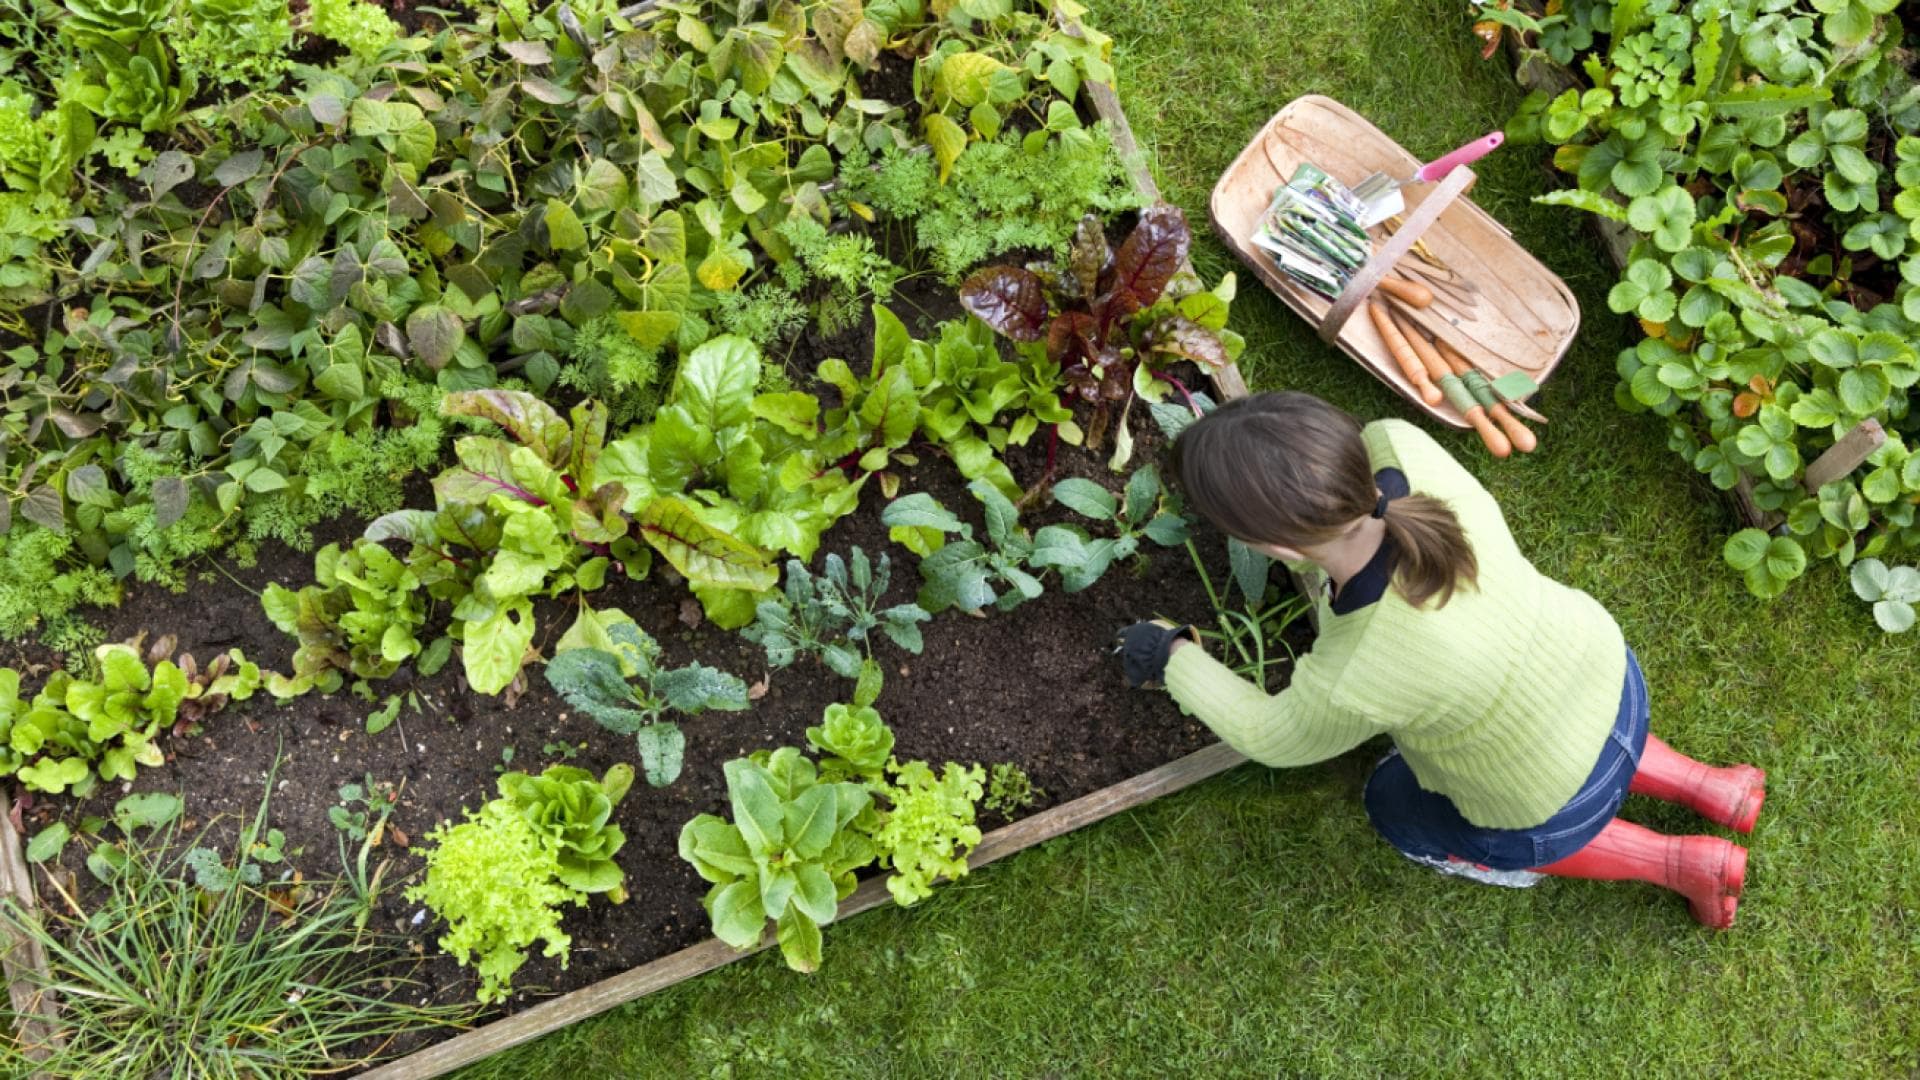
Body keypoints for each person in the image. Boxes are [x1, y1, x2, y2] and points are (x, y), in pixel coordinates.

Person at [1116, 392, 1765, 928]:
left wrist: (1170, 655)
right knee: (1566, 729)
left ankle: (1681, 863)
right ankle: (1714, 787)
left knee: (1393, 804)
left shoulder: (1358, 670)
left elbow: (1272, 735)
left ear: (1278, 547)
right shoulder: (1400, 446)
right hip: (1605, 673)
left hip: (1544, 798)